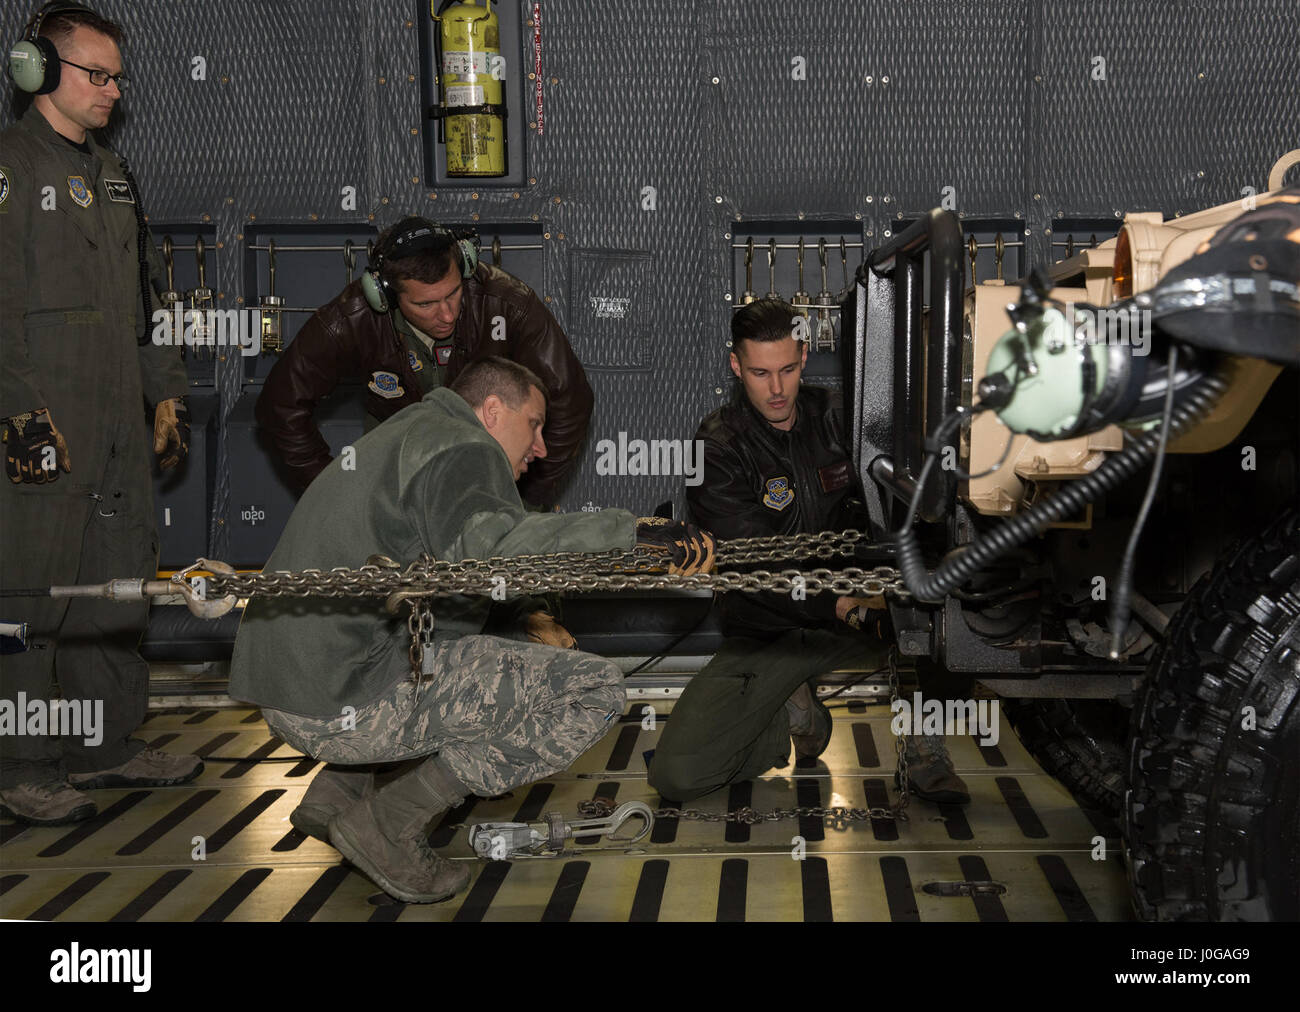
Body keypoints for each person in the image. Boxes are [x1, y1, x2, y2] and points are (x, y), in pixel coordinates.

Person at [229, 357, 714, 903]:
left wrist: (529, 617)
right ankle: (388, 825)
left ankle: (339, 789)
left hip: (292, 686)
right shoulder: (465, 448)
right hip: (339, 701)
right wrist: (631, 534)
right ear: (491, 411)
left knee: (484, 652)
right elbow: (493, 552)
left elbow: (453, 592)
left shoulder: (410, 433)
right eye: (534, 424)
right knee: (592, 691)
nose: (542, 448)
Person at [0, 2, 200, 825]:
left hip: (118, 417)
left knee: (114, 587)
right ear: (37, 71)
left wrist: (165, 394)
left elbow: (146, 302)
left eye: (118, 76)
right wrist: (20, 416)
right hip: (41, 420)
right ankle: (22, 764)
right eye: (96, 73)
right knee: (32, 596)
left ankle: (105, 745)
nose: (112, 90)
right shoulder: (10, 172)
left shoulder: (115, 174)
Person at [647, 299, 971, 805]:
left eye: (788, 370)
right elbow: (755, 562)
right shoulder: (716, 448)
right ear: (736, 366)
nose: (776, 389)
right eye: (759, 372)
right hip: (771, 631)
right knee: (678, 776)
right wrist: (846, 606)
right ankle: (794, 712)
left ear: (803, 355)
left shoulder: (844, 419)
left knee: (939, 605)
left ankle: (926, 747)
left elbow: (912, 511)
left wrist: (888, 594)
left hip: (858, 614)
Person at [255, 216, 593, 507]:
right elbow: (280, 405)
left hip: (483, 461)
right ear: (385, 295)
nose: (446, 314)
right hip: (397, 455)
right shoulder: (353, 318)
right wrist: (331, 491)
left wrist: (527, 496)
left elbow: (570, 396)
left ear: (466, 267)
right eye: (426, 304)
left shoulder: (506, 303)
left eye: (454, 293)